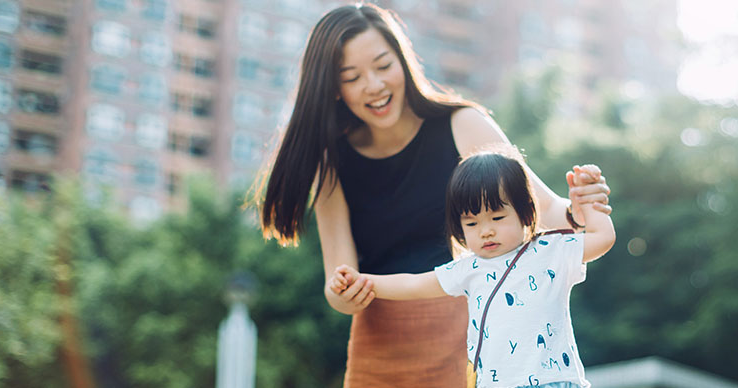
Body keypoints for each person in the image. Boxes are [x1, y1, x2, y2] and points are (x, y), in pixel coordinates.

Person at [252, 3, 613, 387]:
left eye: (383, 65)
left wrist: (579, 208)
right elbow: (338, 281)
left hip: (462, 330)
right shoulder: (332, 163)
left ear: (404, 62)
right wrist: (344, 293)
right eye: (351, 76)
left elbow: (543, 208)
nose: (373, 85)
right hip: (377, 337)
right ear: (333, 89)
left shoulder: (462, 125)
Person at [330, 148, 615, 388]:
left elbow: (602, 238)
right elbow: (413, 284)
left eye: (498, 217)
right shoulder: (467, 269)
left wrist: (589, 200)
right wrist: (362, 280)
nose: (486, 231)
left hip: (552, 380)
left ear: (526, 212)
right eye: (471, 222)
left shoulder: (551, 251)